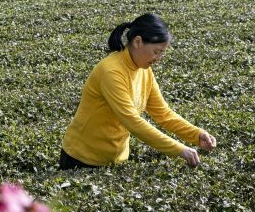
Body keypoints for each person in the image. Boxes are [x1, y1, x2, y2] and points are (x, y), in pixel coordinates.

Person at [60, 13, 217, 169]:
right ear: (138, 42)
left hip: (116, 160)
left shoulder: (143, 69)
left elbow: (163, 113)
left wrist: (197, 135)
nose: (159, 58)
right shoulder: (112, 72)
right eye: (156, 51)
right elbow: (133, 122)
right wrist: (179, 150)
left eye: (162, 53)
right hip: (82, 160)